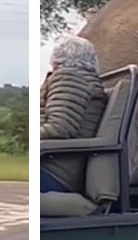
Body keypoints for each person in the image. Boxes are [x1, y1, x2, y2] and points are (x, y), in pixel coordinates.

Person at [40, 35, 107, 194]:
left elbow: (60, 127)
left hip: (55, 170)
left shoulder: (70, 78)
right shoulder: (81, 79)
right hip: (55, 165)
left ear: (57, 56)